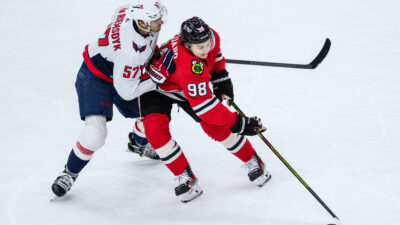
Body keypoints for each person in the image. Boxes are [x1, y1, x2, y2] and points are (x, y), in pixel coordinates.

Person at [141, 16, 272, 203]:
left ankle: (252, 159)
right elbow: (206, 109)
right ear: (187, 45)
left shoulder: (212, 38)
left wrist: (220, 76)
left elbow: (215, 54)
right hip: (157, 88)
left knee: (215, 128)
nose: (205, 49)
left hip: (183, 84)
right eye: (200, 47)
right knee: (155, 132)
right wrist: (239, 122)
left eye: (207, 43)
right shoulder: (189, 68)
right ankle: (185, 177)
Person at [51, 0, 167, 197]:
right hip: (96, 76)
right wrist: (156, 79)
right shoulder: (130, 53)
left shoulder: (129, 11)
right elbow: (127, 92)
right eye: (155, 20)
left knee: (151, 113)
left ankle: (138, 144)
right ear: (142, 23)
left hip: (120, 71)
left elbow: (120, 12)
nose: (161, 23)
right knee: (95, 133)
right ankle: (69, 173)